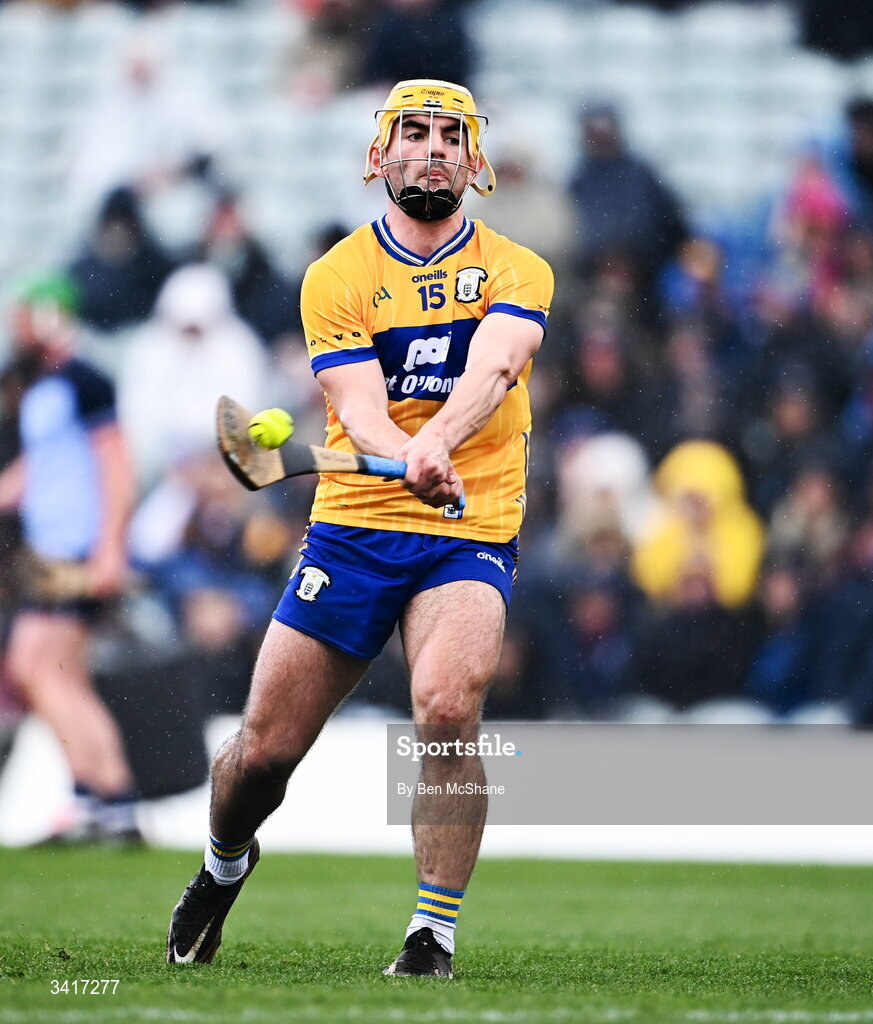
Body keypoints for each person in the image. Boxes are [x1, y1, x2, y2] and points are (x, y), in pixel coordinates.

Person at [166, 79, 553, 977]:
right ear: (378, 157)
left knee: (450, 709)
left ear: (474, 161)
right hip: (354, 522)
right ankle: (225, 863)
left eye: (449, 136)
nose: (431, 149)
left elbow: (494, 370)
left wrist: (441, 447)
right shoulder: (336, 276)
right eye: (411, 133)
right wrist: (406, 453)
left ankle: (431, 936)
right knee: (260, 757)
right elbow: (356, 406)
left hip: (471, 520)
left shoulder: (517, 267)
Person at [0, 273, 139, 842]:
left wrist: (109, 548)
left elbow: (117, 467)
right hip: (51, 550)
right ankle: (107, 800)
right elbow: (36, 471)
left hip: (74, 551)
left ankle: (100, 795)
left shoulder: (85, 381)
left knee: (34, 666)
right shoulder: (42, 384)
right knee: (63, 677)